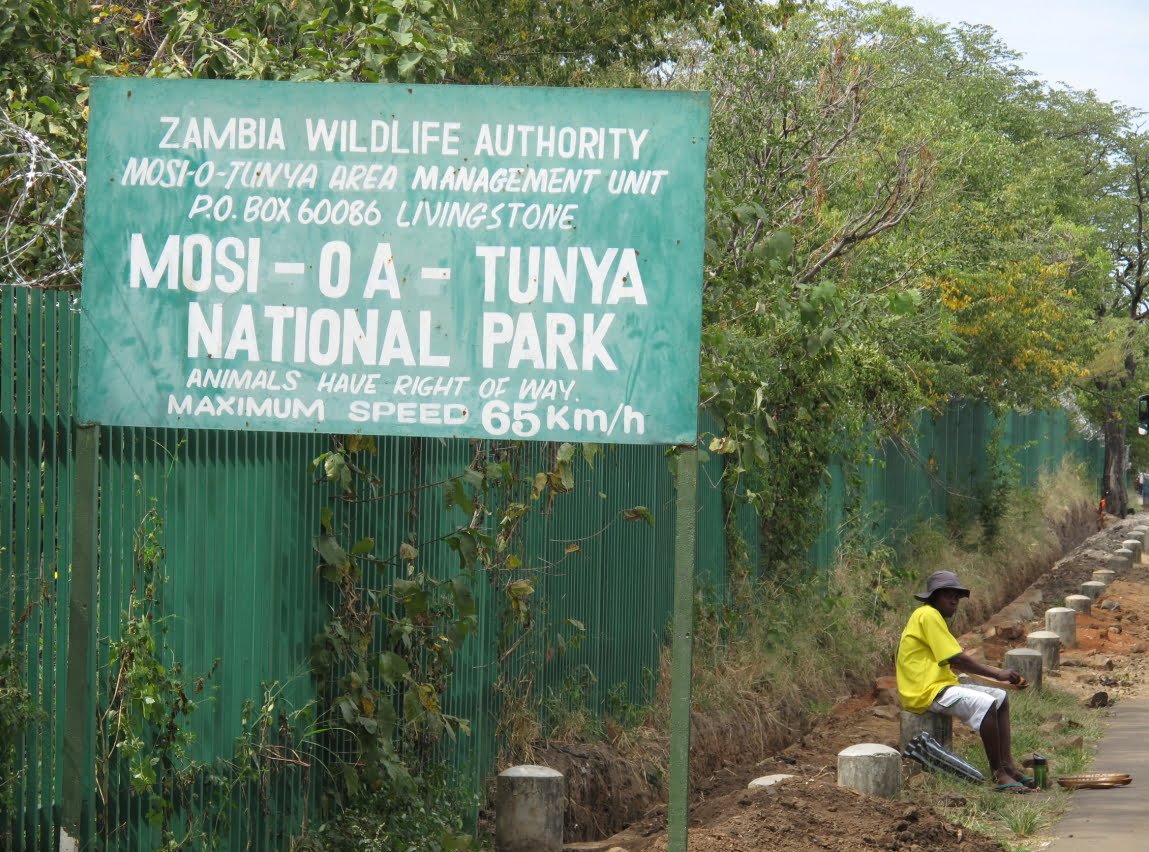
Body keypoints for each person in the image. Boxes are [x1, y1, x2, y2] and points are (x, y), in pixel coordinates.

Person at [896, 571, 1035, 793]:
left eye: (956, 597)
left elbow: (952, 659)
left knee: (1000, 697)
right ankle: (998, 773)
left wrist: (994, 677)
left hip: (940, 686)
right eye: (947, 596)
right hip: (925, 691)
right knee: (987, 704)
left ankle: (1008, 766)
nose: (953, 601)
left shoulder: (933, 618)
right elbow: (956, 659)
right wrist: (997, 674)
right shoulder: (927, 616)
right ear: (933, 598)